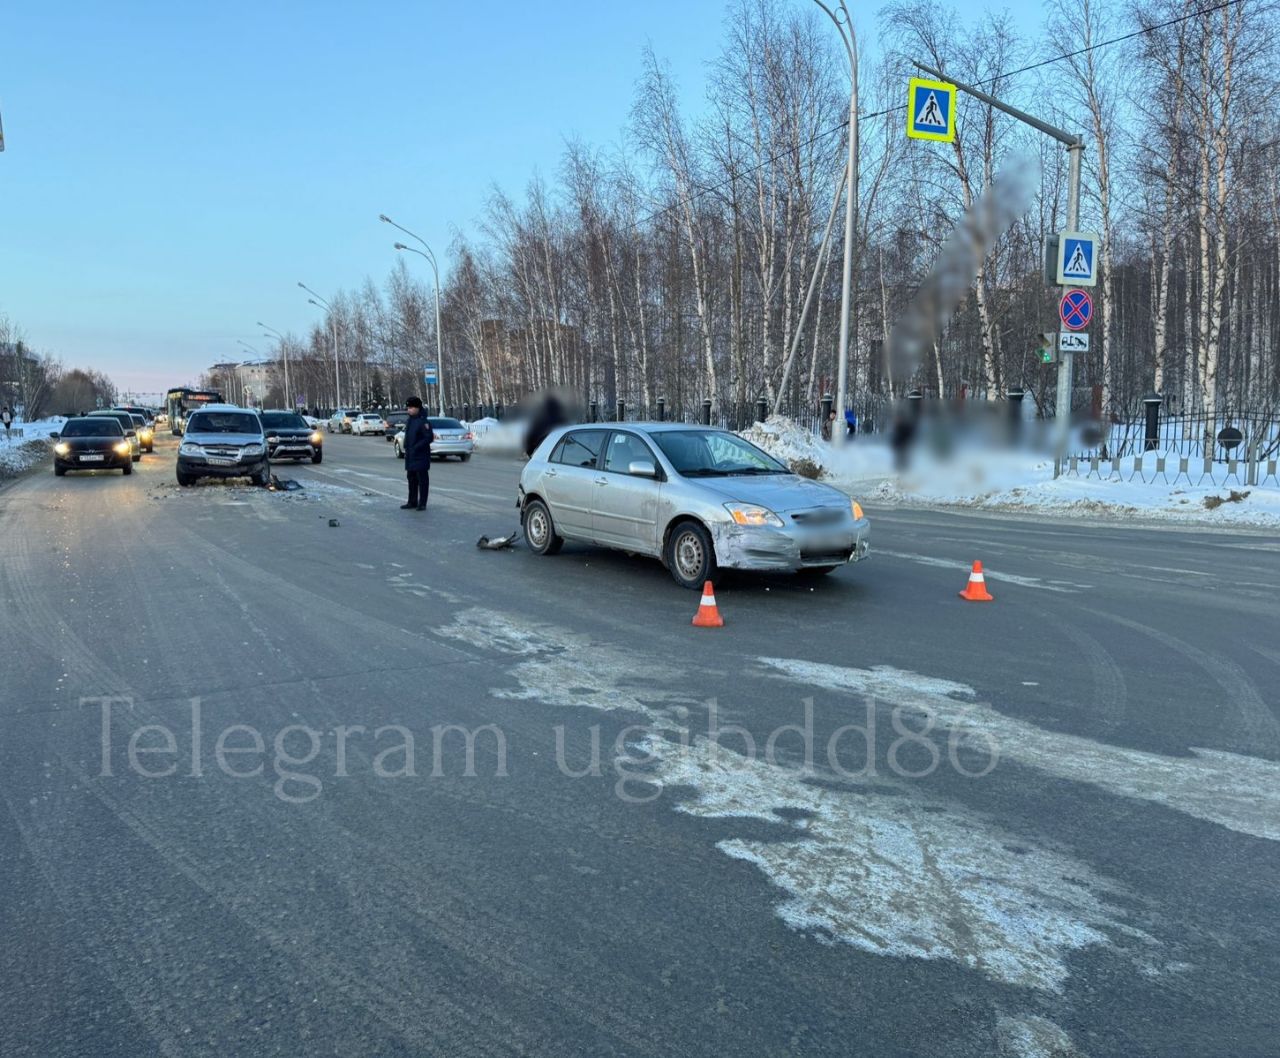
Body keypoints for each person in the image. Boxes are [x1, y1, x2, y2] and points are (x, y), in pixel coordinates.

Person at [401, 396, 434, 510]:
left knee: (422, 480)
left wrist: (416, 447)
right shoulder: (410, 420)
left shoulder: (423, 422)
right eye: (408, 407)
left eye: (410, 407)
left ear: (417, 408)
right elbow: (408, 436)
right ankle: (412, 501)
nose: (408, 410)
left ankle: (422, 503)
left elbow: (428, 437)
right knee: (411, 479)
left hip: (420, 456)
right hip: (410, 456)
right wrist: (406, 447)